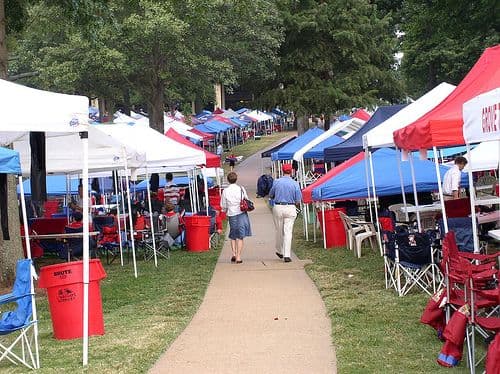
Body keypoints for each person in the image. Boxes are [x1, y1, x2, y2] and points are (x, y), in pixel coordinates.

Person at [269, 163, 302, 263]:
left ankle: (280, 250)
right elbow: (298, 199)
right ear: (291, 171)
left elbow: (271, 194)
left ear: (282, 171)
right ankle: (287, 254)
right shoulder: (295, 183)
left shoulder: (277, 182)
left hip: (278, 206)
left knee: (279, 230)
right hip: (290, 206)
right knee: (288, 231)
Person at [220, 172, 252, 264]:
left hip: (231, 213)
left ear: (228, 180)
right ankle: (238, 256)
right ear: (236, 179)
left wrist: (225, 210)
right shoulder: (241, 189)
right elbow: (246, 198)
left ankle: (233, 253)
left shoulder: (225, 191)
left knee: (233, 234)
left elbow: (223, 205)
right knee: (240, 236)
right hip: (241, 212)